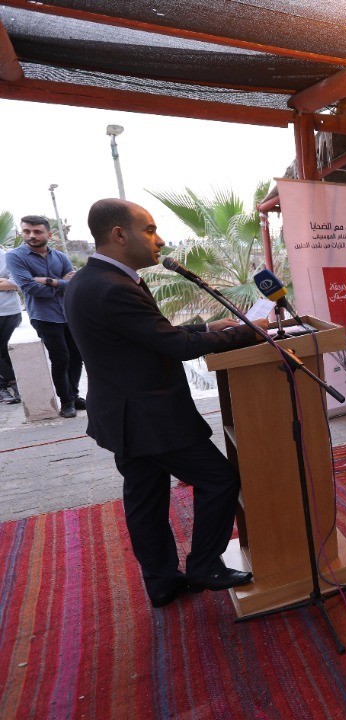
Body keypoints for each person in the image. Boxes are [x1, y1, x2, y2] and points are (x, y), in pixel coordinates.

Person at [63, 199, 265, 608]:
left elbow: (145, 335)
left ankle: (161, 582)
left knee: (145, 499)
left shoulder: (88, 280)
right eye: (150, 230)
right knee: (219, 480)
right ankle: (204, 564)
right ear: (119, 234)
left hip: (120, 415)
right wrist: (249, 331)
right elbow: (175, 346)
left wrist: (207, 326)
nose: (160, 240)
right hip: (149, 418)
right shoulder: (113, 287)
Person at [5, 214, 83, 417]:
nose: (31, 235)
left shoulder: (60, 256)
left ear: (48, 234)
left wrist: (49, 281)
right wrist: (61, 282)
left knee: (76, 356)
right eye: (26, 231)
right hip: (44, 316)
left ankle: (74, 395)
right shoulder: (15, 256)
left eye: (37, 231)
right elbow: (30, 288)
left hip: (68, 313)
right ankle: (66, 401)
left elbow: (74, 284)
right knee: (61, 358)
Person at [0, 258, 22, 403]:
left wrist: (9, 283)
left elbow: (17, 282)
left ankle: (12, 384)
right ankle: (12, 382)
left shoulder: (6, 257)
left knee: (5, 351)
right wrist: (3, 281)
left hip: (10, 311)